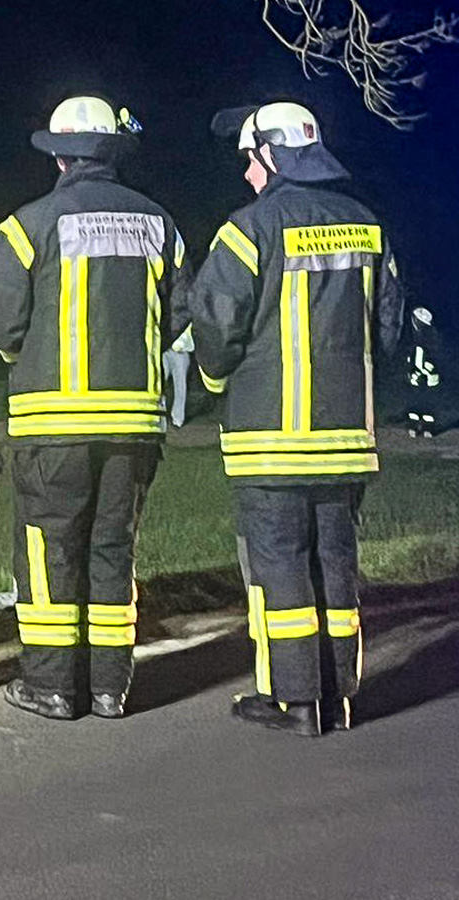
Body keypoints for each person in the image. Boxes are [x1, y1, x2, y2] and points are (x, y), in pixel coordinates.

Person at [184, 101, 404, 736]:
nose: (247, 174)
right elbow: (386, 332)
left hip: (270, 440)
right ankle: (340, 696)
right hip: (347, 438)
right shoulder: (368, 226)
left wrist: (212, 382)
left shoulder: (248, 228)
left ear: (270, 155)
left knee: (278, 565)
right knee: (336, 563)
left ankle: (294, 700)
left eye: (249, 160)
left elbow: (217, 328)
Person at [0, 96, 184, 720]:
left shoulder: (27, 225)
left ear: (60, 156)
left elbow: (3, 323)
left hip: (54, 423)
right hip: (135, 426)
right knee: (111, 548)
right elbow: (179, 315)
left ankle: (50, 685)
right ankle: (108, 686)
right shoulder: (161, 225)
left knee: (50, 550)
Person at [406, 306, 443, 437]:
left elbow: (430, 359)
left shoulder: (427, 337)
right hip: (418, 377)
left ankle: (427, 428)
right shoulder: (418, 336)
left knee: (427, 403)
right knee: (416, 403)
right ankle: (415, 427)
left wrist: (420, 371)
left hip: (426, 377)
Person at [164, 326, 195, 427]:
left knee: (180, 386)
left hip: (181, 350)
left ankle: (178, 419)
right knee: (160, 383)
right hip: (165, 349)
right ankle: (164, 416)